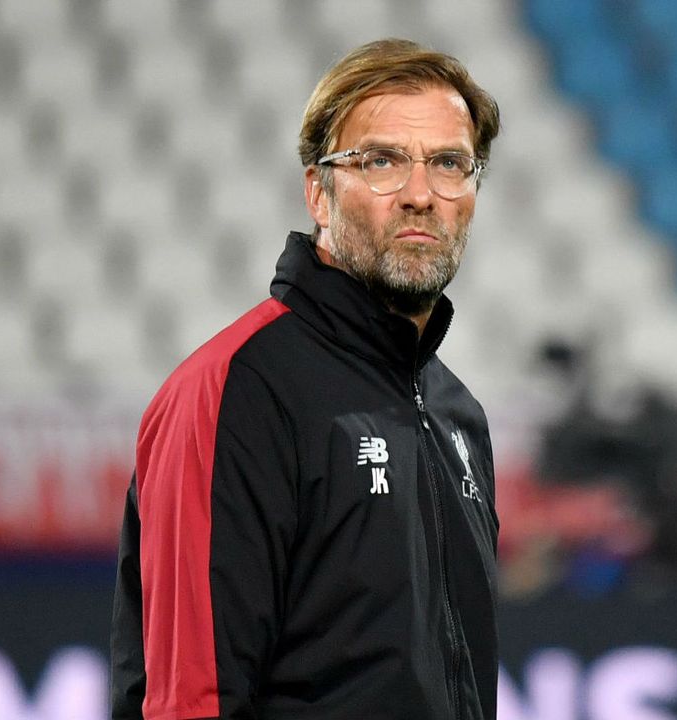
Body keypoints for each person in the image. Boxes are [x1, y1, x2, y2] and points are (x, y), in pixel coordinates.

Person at [110, 38, 502, 719]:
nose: (419, 195)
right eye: (381, 161)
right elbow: (192, 703)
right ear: (319, 192)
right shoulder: (235, 389)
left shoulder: (456, 412)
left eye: (448, 164)